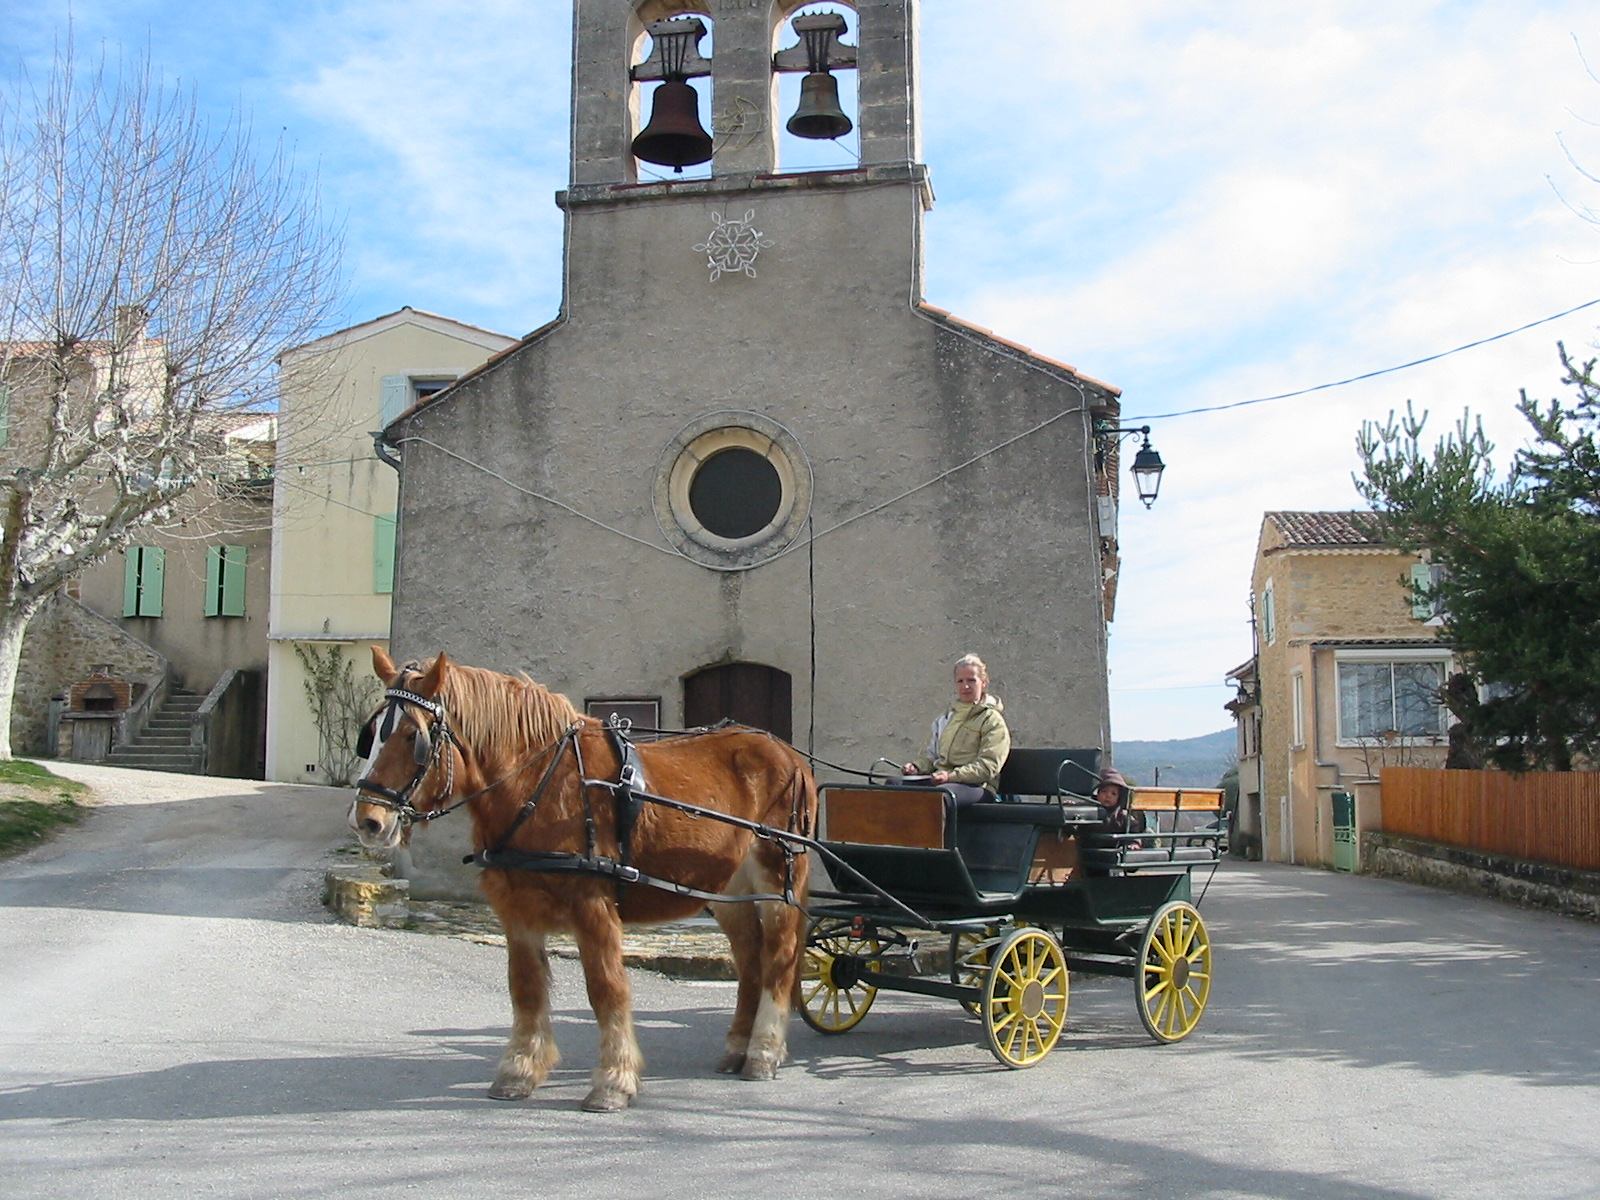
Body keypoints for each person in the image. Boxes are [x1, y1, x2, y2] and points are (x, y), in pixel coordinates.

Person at [901, 653, 1011, 806]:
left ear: (984, 682)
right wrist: (917, 767)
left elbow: (988, 766)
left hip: (978, 787)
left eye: (971, 680)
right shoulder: (946, 718)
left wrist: (950, 776)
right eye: (960, 681)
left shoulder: (992, 720)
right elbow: (930, 757)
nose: (965, 686)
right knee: (895, 787)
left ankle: (936, 831)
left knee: (940, 796)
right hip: (942, 781)